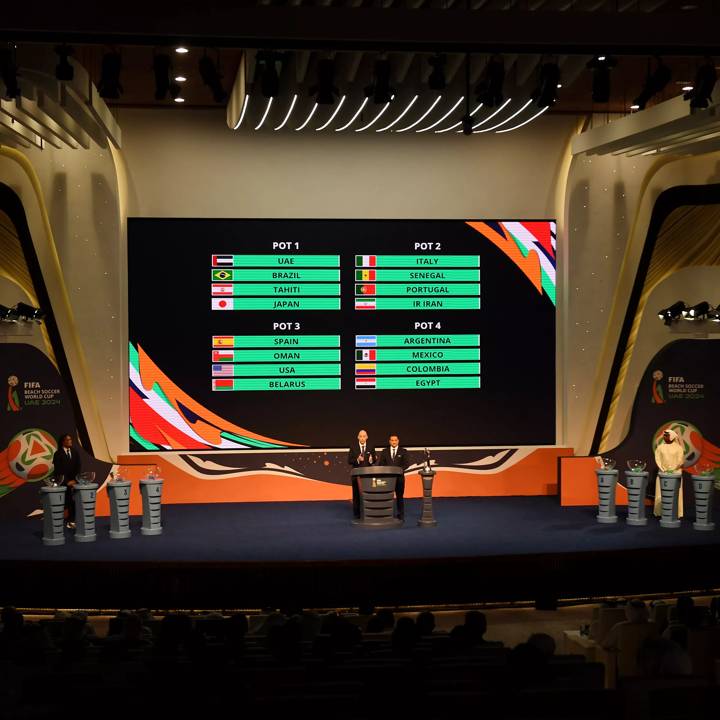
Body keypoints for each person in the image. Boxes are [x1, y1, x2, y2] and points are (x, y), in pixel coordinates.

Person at [653, 427, 685, 518]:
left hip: (675, 474)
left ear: (672, 437)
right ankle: (660, 512)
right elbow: (658, 459)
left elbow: (680, 460)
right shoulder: (660, 447)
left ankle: (676, 512)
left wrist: (673, 469)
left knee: (675, 493)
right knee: (661, 492)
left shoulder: (679, 448)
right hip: (662, 473)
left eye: (667, 435)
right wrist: (663, 469)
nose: (665, 437)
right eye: (664, 435)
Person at [52, 433, 81, 529]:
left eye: (71, 439)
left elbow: (78, 467)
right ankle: (59, 523)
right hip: (63, 483)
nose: (70, 441)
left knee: (73, 502)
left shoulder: (75, 452)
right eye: (68, 440)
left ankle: (72, 521)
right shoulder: (58, 454)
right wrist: (67, 481)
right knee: (65, 502)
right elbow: (58, 470)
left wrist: (75, 480)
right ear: (63, 442)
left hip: (74, 482)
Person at [378, 434, 410, 519]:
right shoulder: (384, 451)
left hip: (399, 479)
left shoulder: (403, 451)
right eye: (392, 440)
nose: (394, 442)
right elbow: (381, 464)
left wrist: (397, 470)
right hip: (387, 479)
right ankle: (387, 514)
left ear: (398, 441)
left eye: (395, 440)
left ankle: (401, 514)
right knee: (387, 496)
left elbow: (406, 464)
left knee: (400, 497)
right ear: (389, 441)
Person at [347, 429, 375, 519]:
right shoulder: (353, 447)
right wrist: (357, 459)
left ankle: (369, 513)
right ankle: (357, 515)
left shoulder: (371, 446)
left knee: (368, 494)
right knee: (356, 495)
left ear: (367, 437)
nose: (362, 438)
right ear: (358, 437)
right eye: (361, 436)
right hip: (356, 475)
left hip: (368, 475)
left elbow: (374, 459)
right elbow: (349, 460)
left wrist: (372, 460)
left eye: (364, 436)